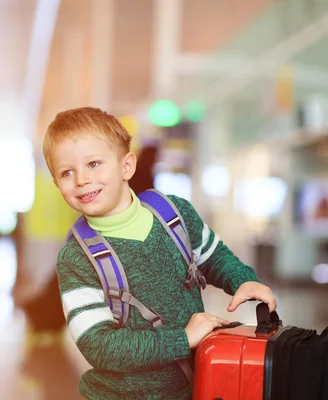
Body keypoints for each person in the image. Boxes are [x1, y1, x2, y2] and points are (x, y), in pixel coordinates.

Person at [42, 107, 277, 399]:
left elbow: (213, 257)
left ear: (126, 166)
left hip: (194, 386)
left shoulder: (174, 214)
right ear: (56, 184)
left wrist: (242, 280)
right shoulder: (77, 259)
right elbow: (99, 346)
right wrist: (183, 339)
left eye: (93, 164)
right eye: (67, 172)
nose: (81, 179)